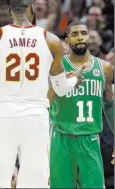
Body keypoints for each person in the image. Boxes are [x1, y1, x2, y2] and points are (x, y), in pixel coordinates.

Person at [0, 0, 84, 188]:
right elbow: (60, 87)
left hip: (3, 114)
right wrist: (74, 79)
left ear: (9, 12)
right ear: (32, 10)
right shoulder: (51, 40)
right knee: (36, 183)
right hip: (36, 116)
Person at [49, 21, 114, 188]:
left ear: (90, 38)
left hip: (90, 139)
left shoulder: (104, 67)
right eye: (74, 34)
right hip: (61, 138)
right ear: (67, 40)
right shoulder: (57, 66)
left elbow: (109, 104)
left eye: (83, 33)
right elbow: (45, 100)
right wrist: (60, 84)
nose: (79, 37)